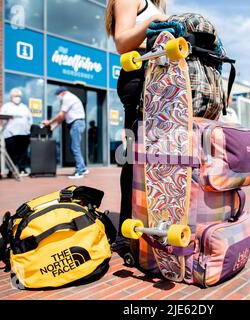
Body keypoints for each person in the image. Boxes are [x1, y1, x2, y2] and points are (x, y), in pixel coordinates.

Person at [105, 0, 169, 250]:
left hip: (153, 75)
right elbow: (122, 42)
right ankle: (127, 233)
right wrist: (151, 22)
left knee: (147, 158)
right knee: (135, 158)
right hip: (139, 76)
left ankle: (141, 224)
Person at [42, 87, 88, 179]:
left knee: (75, 147)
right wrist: (54, 126)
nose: (58, 97)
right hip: (76, 123)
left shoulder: (67, 98)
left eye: (58, 95)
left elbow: (61, 115)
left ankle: (80, 172)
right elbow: (63, 117)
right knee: (74, 148)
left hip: (76, 123)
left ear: (62, 93)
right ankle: (82, 168)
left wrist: (49, 122)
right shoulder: (69, 98)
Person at [1, 88, 33, 177]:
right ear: (11, 97)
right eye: (15, 96)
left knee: (23, 153)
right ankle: (11, 171)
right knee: (11, 153)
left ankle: (22, 169)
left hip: (24, 133)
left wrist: (29, 129)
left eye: (18, 96)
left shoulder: (24, 107)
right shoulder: (6, 106)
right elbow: (3, 120)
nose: (17, 98)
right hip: (10, 134)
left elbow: (30, 120)